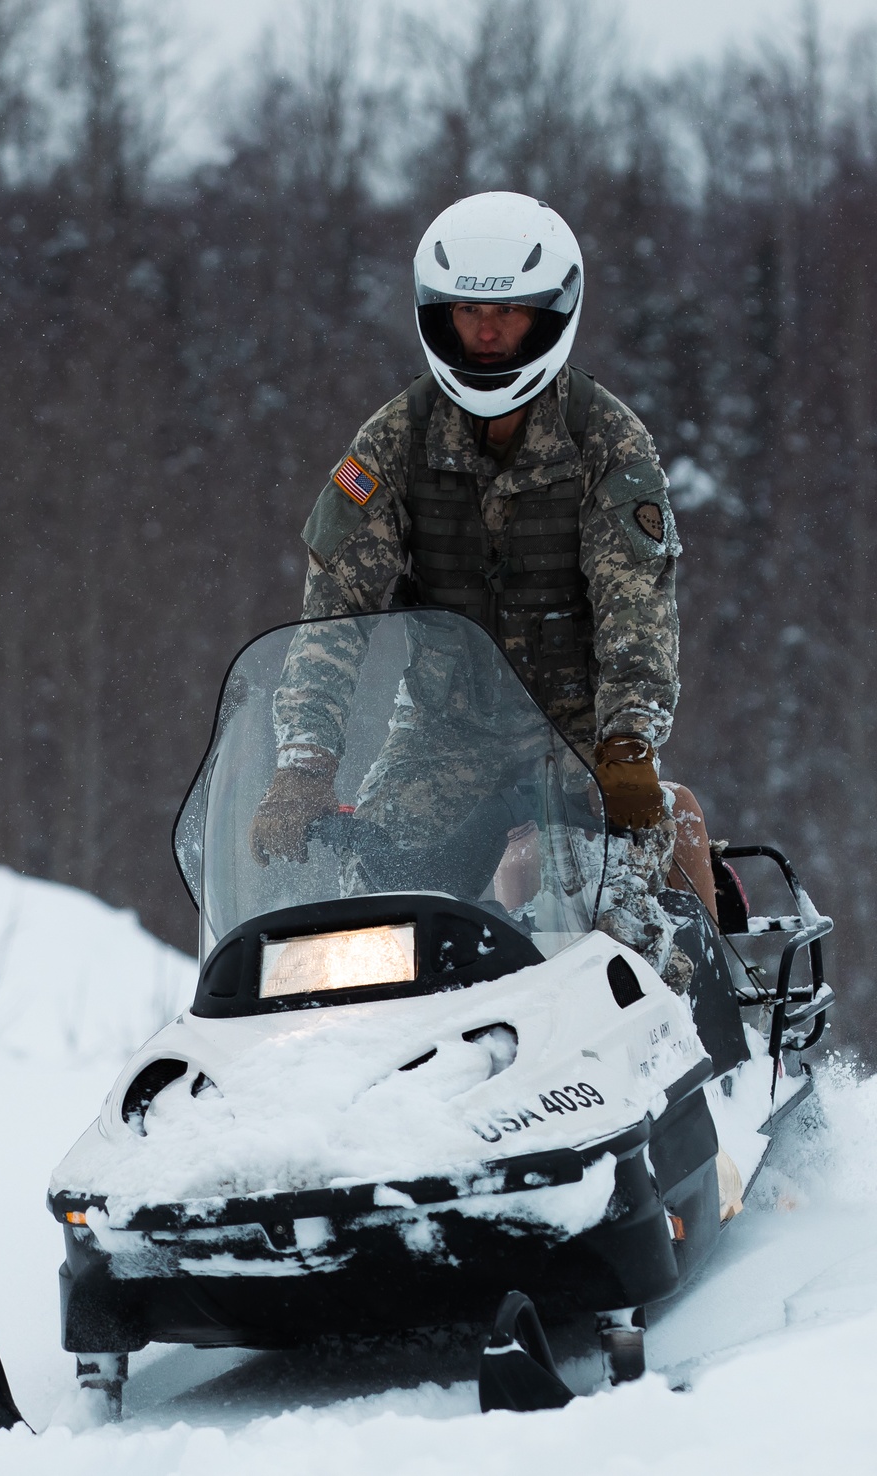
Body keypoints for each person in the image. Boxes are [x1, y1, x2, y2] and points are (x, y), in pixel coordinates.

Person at [250, 191, 716, 988]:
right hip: (443, 731)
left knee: (615, 921)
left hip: (578, 736)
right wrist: (304, 763)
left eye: (512, 315)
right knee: (371, 916)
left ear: (553, 315)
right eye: (469, 313)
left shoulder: (606, 440)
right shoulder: (391, 444)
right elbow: (333, 616)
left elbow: (635, 611)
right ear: (440, 316)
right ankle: (374, 1069)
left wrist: (629, 741)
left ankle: (684, 1045)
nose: (490, 334)